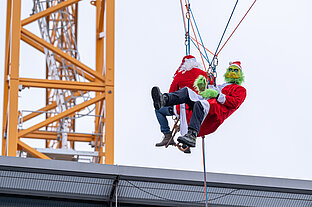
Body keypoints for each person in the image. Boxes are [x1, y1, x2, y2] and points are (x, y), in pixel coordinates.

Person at [152, 61, 246, 148]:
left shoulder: (240, 90)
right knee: (187, 91)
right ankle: (164, 99)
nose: (232, 72)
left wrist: (217, 95)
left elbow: (234, 102)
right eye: (230, 69)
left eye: (235, 70)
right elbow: (207, 93)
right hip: (206, 106)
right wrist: (202, 87)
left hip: (215, 113)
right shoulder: (220, 86)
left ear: (240, 74)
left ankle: (191, 135)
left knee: (200, 104)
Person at [154, 55, 208, 148]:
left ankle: (167, 135)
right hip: (199, 108)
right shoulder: (204, 74)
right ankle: (187, 142)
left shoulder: (180, 75)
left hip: (181, 108)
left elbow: (172, 92)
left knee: (158, 110)